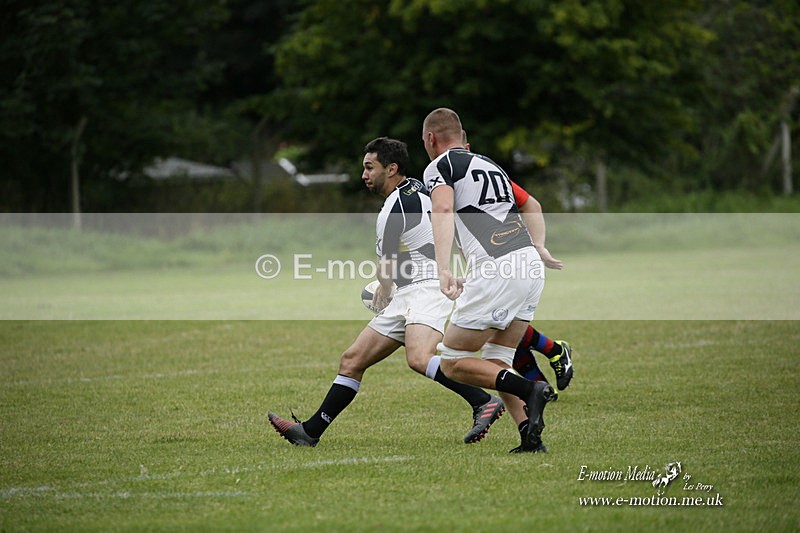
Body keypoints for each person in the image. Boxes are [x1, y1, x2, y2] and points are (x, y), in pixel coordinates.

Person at [268, 137, 506, 447]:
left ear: (391, 168)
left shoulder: (393, 207)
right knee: (352, 360)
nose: (364, 174)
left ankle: (482, 401)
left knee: (420, 358)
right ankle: (310, 432)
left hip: (426, 289)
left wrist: (382, 290)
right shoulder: (420, 187)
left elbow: (386, 265)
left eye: (370, 168)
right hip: (410, 291)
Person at [422, 107, 572, 452]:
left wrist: (443, 268)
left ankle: (530, 389)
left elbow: (442, 210)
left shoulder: (441, 166)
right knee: (498, 358)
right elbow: (531, 203)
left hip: (498, 269)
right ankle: (531, 439)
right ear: (463, 138)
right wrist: (540, 248)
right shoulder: (492, 166)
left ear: (431, 139)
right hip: (529, 268)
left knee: (453, 361)